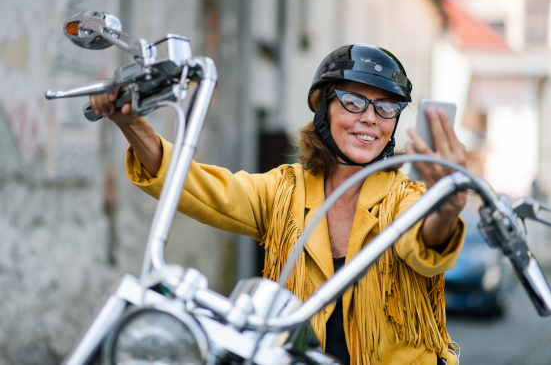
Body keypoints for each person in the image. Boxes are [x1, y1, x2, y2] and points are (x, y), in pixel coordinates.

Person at [90, 43, 466, 365]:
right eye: (353, 101)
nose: (370, 118)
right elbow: (197, 186)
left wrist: (447, 206)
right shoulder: (284, 191)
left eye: (386, 107)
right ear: (324, 110)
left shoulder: (409, 197)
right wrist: (132, 125)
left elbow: (425, 242)